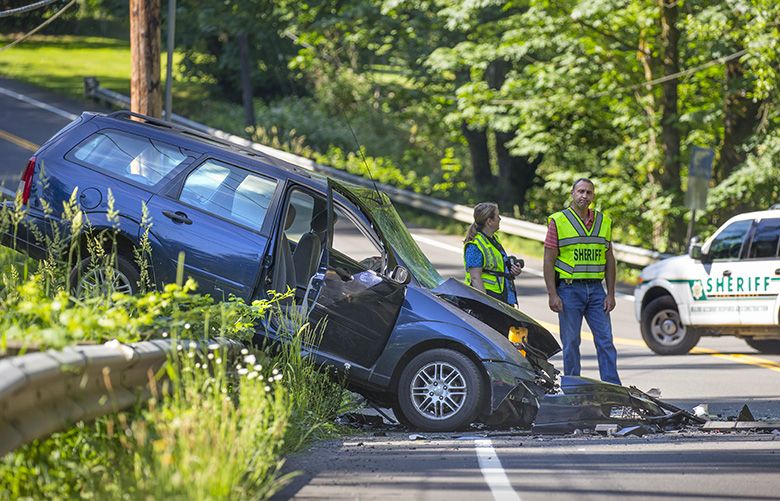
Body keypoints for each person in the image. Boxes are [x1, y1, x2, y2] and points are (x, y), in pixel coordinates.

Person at [543, 178, 621, 385]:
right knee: (571, 342)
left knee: (605, 341)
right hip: (569, 290)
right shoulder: (558, 221)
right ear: (572, 193)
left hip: (596, 291)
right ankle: (572, 386)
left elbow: (609, 259)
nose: (584, 196)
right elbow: (549, 259)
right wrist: (552, 294)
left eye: (588, 192)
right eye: (580, 191)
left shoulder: (603, 221)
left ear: (593, 196)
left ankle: (613, 387)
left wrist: (611, 293)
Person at [464, 202, 523, 306]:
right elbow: (475, 278)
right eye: (497, 216)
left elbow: (495, 267)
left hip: (500, 295)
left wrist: (511, 270)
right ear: (489, 221)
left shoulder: (494, 239)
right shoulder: (475, 245)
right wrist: (485, 304)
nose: (500, 219)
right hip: (488, 297)